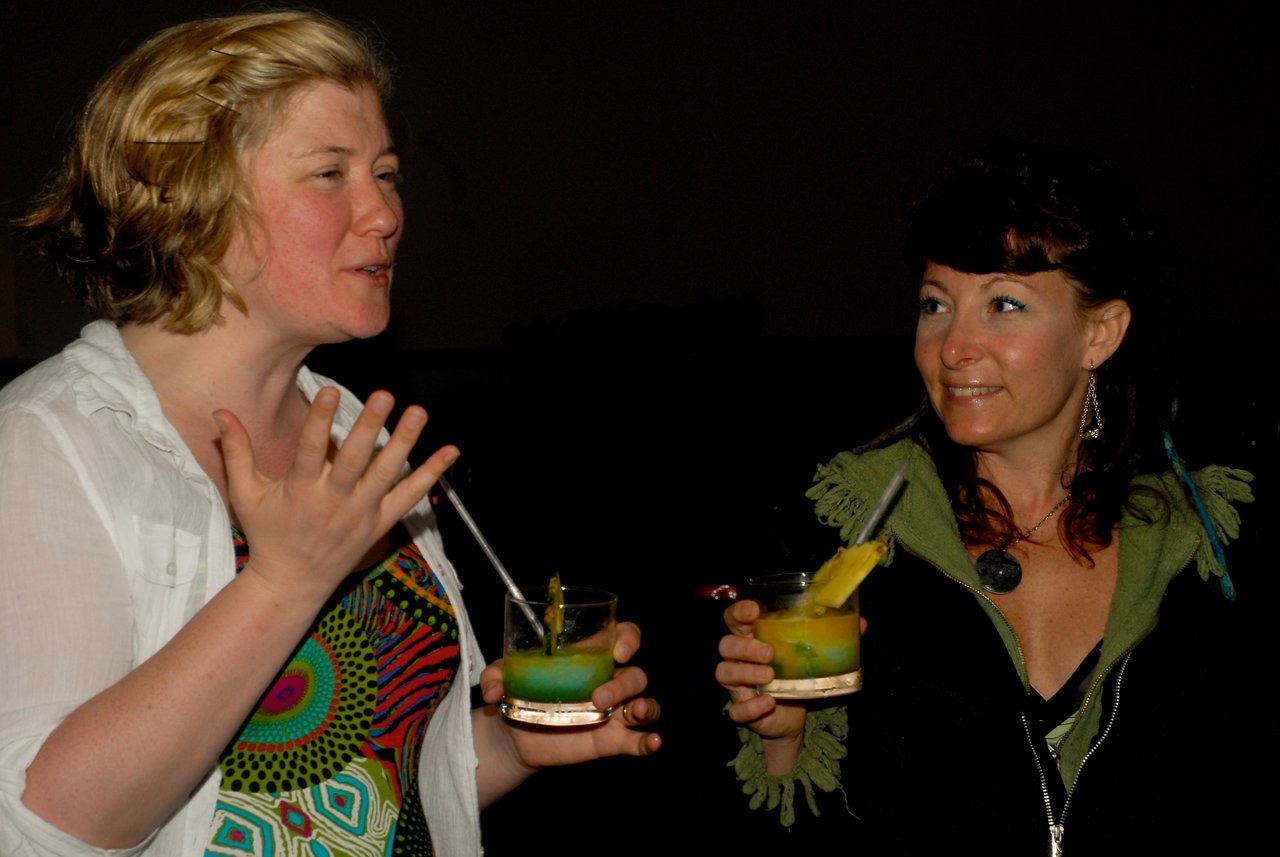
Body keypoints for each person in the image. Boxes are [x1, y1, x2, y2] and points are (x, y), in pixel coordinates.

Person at [0, 11, 659, 857]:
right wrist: (281, 582)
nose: (383, 212)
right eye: (329, 173)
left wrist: (503, 745)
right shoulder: (48, 442)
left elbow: (376, 776)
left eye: (385, 173)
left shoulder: (350, 426)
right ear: (194, 196)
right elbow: (37, 823)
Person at [716, 141, 1258, 853]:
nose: (953, 345)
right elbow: (790, 834)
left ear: (1100, 333)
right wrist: (783, 738)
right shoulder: (845, 533)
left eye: (1004, 303)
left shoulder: (1203, 550)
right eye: (936, 304)